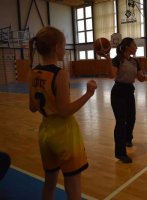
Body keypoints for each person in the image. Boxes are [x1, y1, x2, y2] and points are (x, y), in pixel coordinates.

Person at [28, 26, 97, 199]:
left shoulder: (33, 72)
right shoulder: (60, 74)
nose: (65, 50)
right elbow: (65, 111)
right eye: (64, 46)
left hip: (45, 133)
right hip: (65, 135)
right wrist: (88, 94)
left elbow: (32, 107)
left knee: (49, 184)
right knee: (73, 189)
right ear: (57, 47)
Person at [101, 37, 147, 163]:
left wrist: (144, 77)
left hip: (129, 92)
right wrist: (108, 60)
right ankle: (120, 153)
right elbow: (112, 75)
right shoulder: (118, 60)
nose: (136, 47)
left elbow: (139, 77)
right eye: (134, 45)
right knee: (121, 122)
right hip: (118, 93)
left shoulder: (135, 61)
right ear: (127, 46)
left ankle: (128, 139)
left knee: (131, 119)